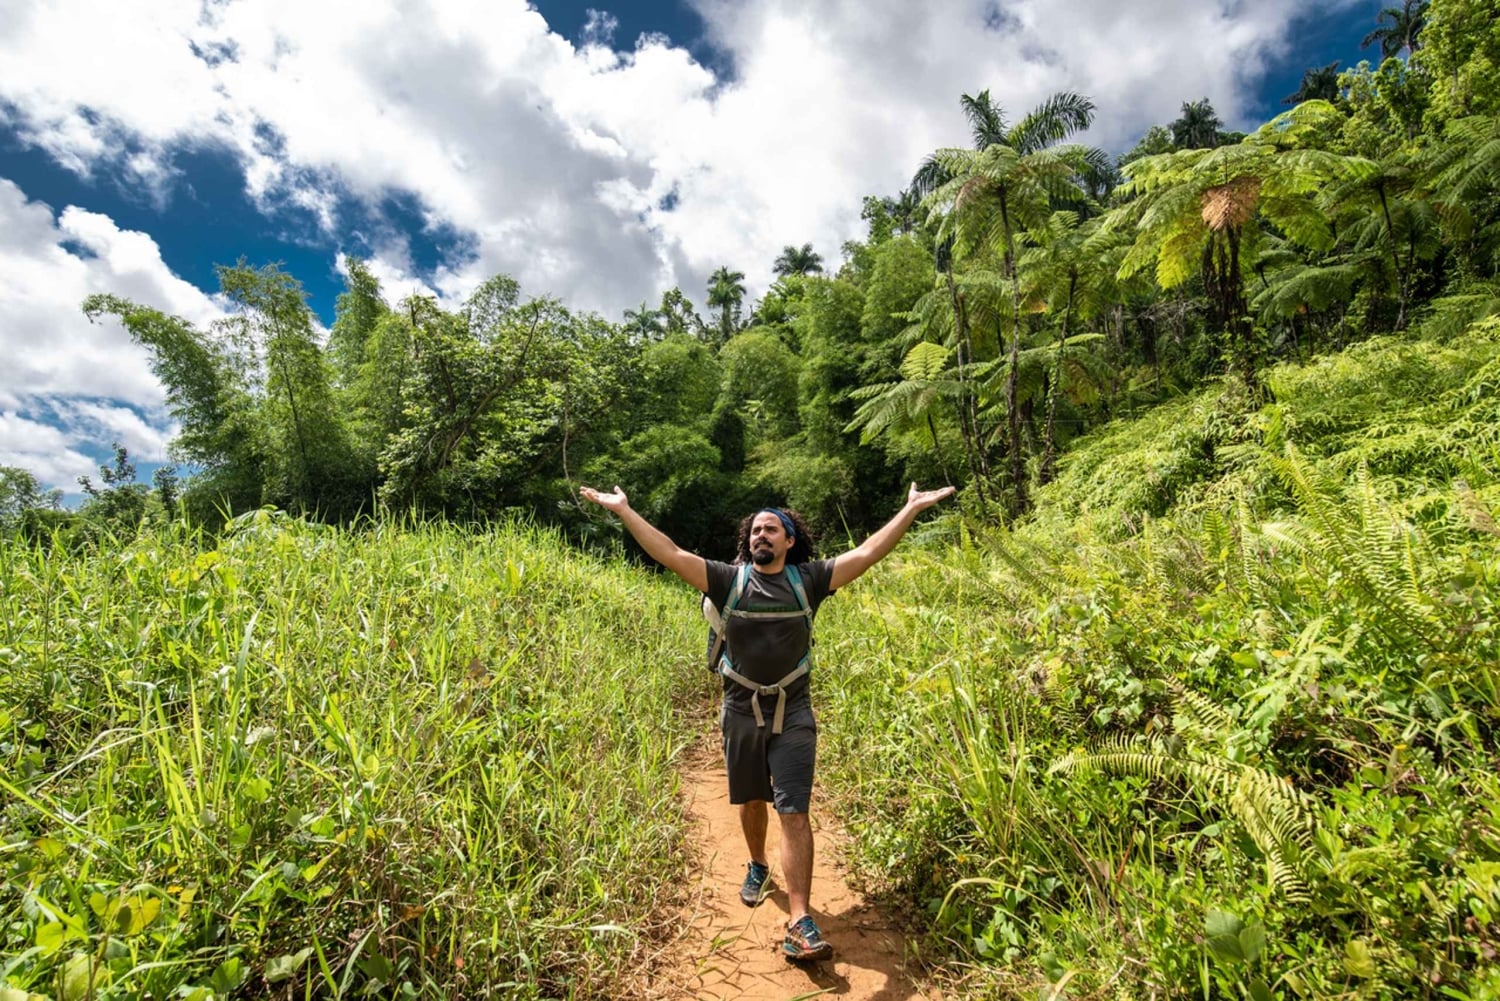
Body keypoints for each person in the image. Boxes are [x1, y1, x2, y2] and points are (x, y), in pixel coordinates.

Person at [578, 482, 955, 962]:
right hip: (739, 710)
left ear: (789, 540)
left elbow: (866, 552)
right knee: (752, 799)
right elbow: (670, 553)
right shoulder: (725, 579)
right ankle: (757, 863)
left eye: (772, 529)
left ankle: (800, 920)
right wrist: (625, 511)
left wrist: (909, 510)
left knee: (793, 810)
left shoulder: (810, 580)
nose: (762, 535)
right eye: (756, 529)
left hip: (794, 712)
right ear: (748, 540)